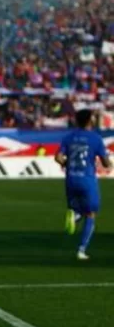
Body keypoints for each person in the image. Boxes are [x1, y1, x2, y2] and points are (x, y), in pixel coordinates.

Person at [56, 109, 112, 260]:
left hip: (70, 179)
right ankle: (81, 250)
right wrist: (109, 164)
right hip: (87, 180)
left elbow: (58, 157)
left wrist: (67, 164)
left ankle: (75, 214)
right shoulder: (95, 138)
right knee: (91, 214)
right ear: (89, 121)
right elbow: (106, 163)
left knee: (79, 208)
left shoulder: (68, 137)